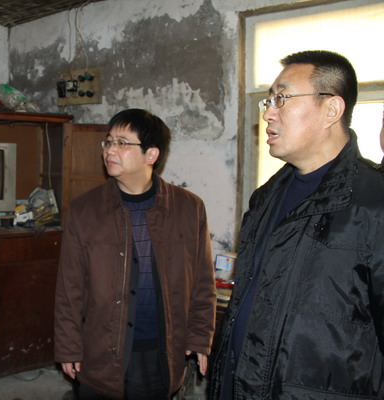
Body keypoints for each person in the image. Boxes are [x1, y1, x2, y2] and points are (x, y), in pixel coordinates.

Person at [210, 50, 384, 399]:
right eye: (268, 101)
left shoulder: (373, 202)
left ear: (331, 110)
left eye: (282, 99)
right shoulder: (266, 198)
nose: (268, 113)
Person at [54, 108, 216, 399]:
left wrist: (200, 337)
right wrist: (68, 346)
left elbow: (203, 281)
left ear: (150, 155)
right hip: (101, 350)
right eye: (108, 141)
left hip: (161, 350)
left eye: (122, 143)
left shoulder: (189, 208)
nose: (110, 150)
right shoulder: (85, 210)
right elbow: (69, 289)